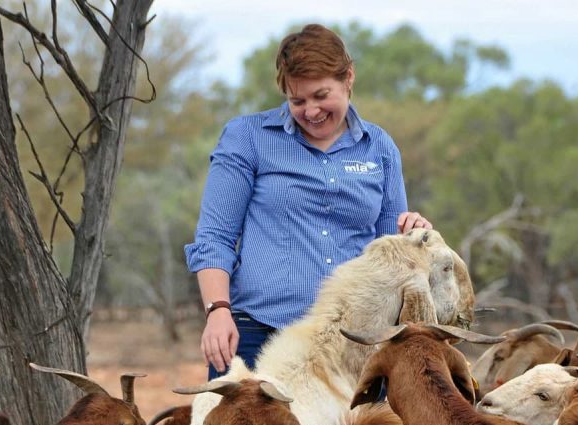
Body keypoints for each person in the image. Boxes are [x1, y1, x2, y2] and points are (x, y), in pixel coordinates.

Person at [185, 24, 432, 380]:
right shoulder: (247, 138)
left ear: (348, 77)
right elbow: (214, 238)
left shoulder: (380, 148)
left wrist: (412, 234)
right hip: (259, 334)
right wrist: (217, 311)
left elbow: (387, 254)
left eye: (321, 95)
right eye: (297, 101)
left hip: (350, 343)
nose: (311, 111)